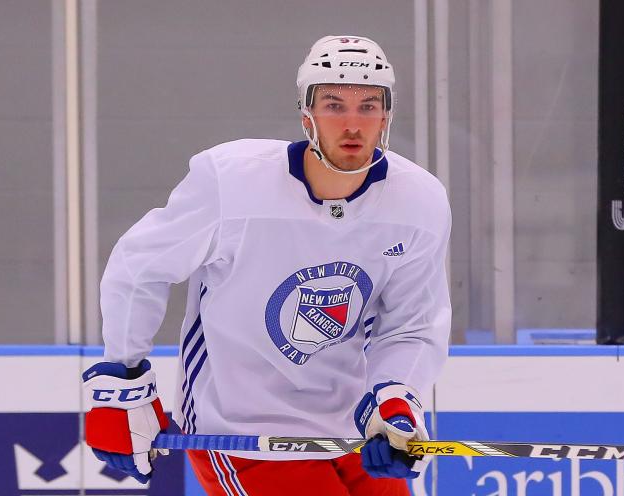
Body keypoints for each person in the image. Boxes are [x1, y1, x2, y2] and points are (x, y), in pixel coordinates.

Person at [82, 35, 451, 496]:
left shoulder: (418, 200)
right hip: (244, 433)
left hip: (350, 431)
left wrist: (395, 400)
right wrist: (124, 376)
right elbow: (140, 266)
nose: (353, 124)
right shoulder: (233, 181)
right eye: (334, 105)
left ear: (386, 115)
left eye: (369, 105)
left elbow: (411, 325)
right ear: (307, 114)